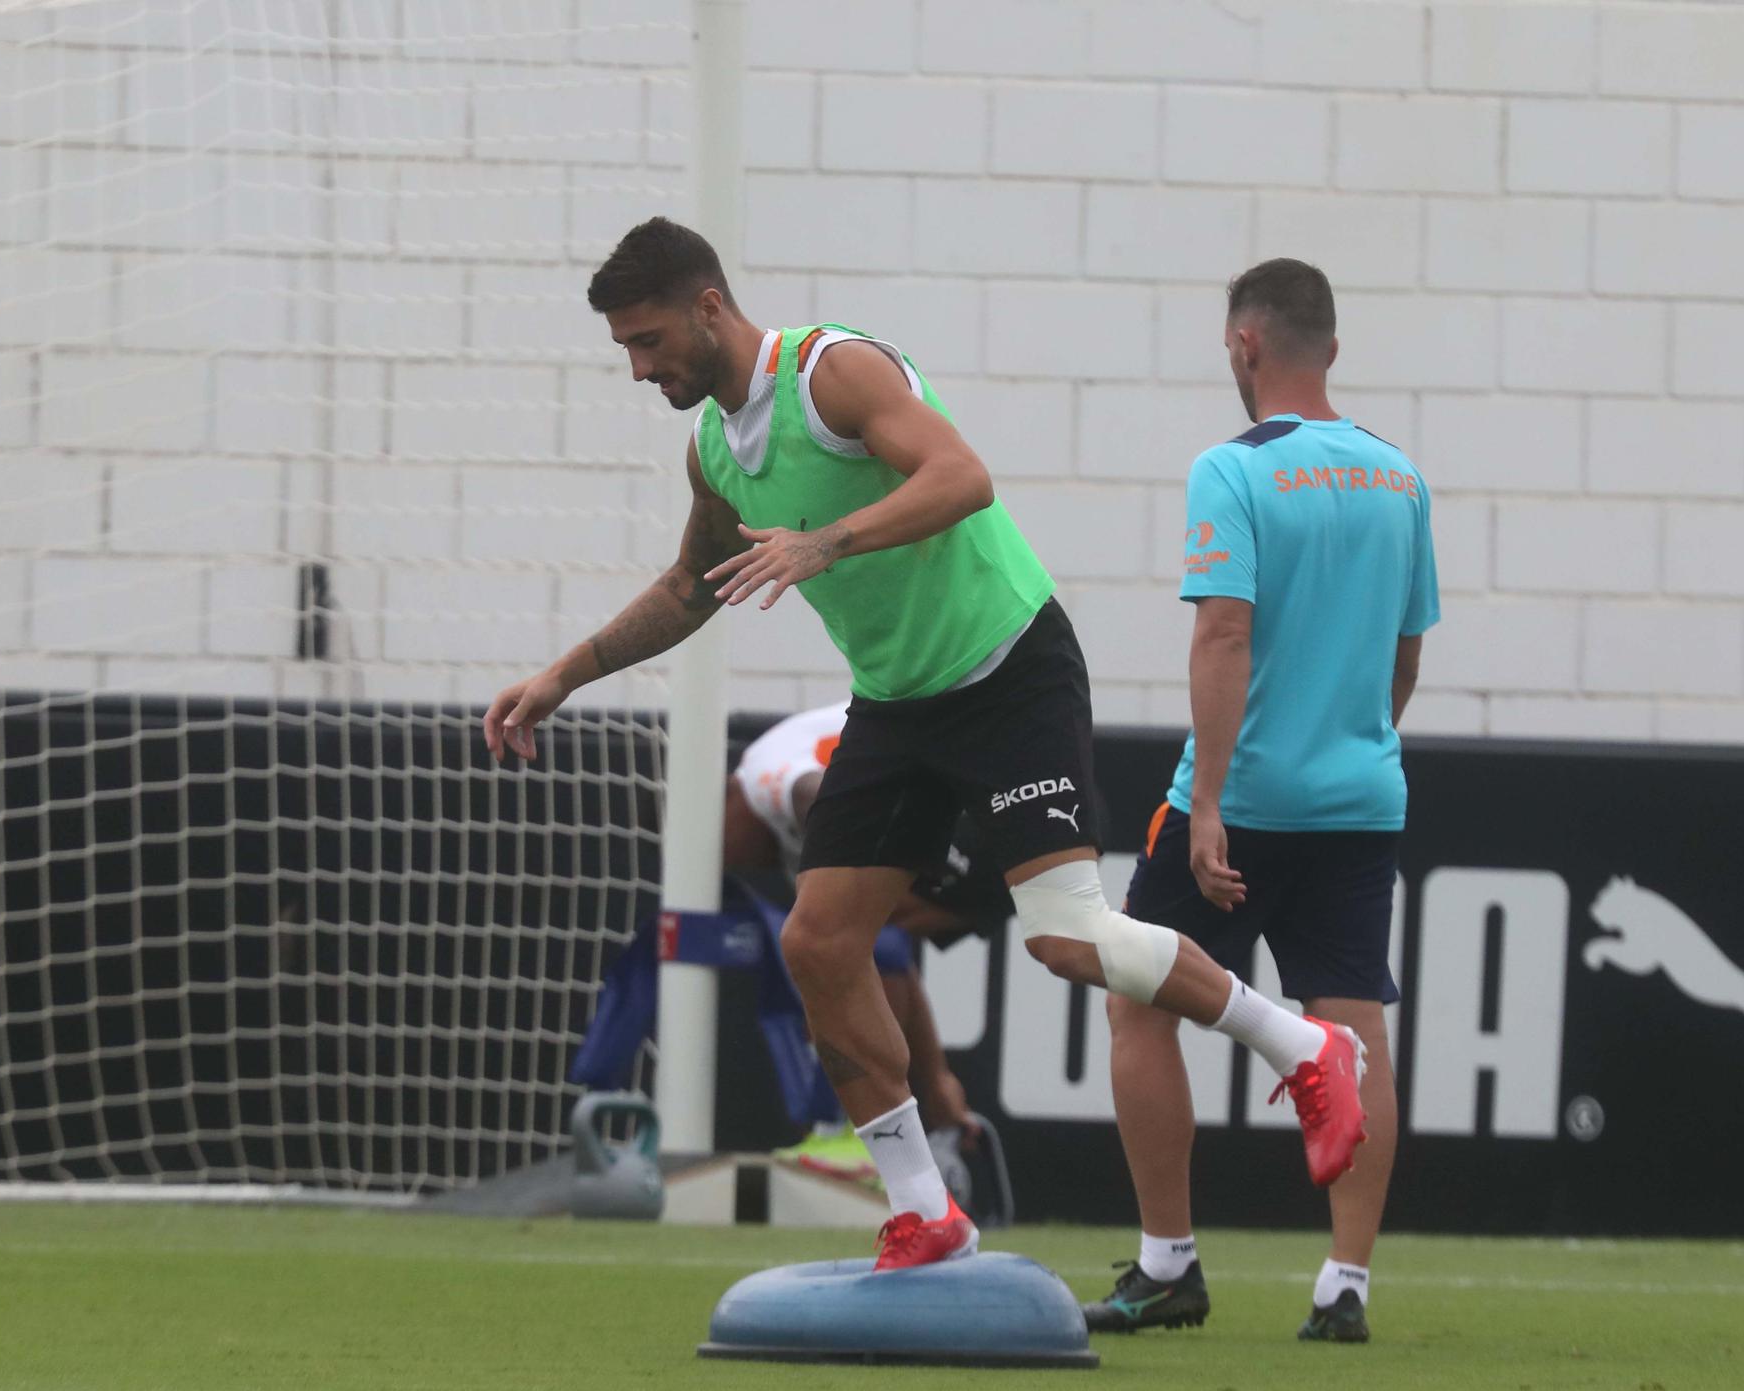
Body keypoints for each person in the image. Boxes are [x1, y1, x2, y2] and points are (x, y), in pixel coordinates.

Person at [485, 219, 1367, 1272]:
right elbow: (688, 587)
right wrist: (559, 677)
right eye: (623, 348)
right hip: (895, 704)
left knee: (1063, 935)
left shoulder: (831, 372)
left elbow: (961, 476)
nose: (638, 367)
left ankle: (1305, 1046)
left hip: (1007, 671)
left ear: (709, 308)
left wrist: (825, 540)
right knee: (816, 940)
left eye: (647, 340)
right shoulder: (716, 449)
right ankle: (922, 1209)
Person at [1082, 259, 1439, 1343]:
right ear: (1328, 348)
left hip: (1241, 797)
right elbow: (1404, 650)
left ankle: (1166, 1264)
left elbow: (1222, 632)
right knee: (1352, 1023)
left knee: (1136, 995)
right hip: (1359, 795)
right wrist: (1356, 740)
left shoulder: (1229, 470)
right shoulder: (1398, 476)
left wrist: (1208, 806)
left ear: (1242, 346)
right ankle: (1343, 1285)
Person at [727, 700, 999, 1189]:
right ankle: (897, 1124)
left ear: (727, 801)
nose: (726, 861)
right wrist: (937, 1084)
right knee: (862, 944)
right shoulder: (787, 841)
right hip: (958, 787)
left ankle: (858, 1128)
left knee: (854, 942)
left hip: (983, 782)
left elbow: (815, 792)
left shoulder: (764, 778)